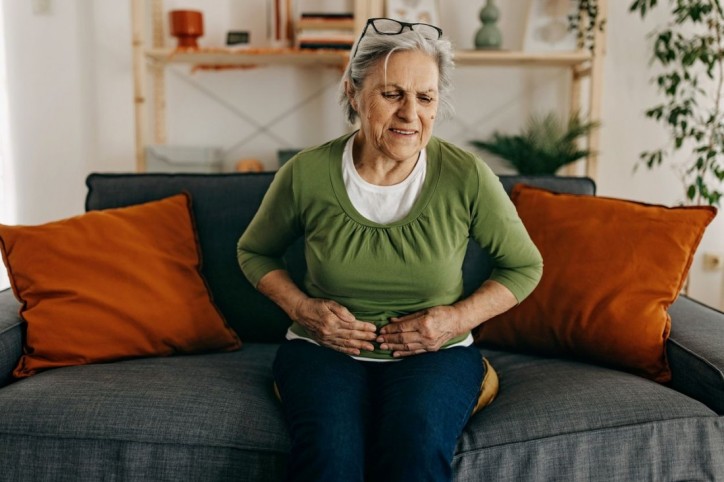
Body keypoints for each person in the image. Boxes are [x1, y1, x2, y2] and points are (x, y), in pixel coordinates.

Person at [237, 17, 543, 482]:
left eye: (425, 97)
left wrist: (454, 320)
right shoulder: (306, 173)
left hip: (436, 355)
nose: (409, 114)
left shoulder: (467, 176)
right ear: (354, 93)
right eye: (392, 93)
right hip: (323, 352)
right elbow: (254, 252)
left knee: (413, 447)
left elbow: (524, 266)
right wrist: (304, 308)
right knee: (329, 455)